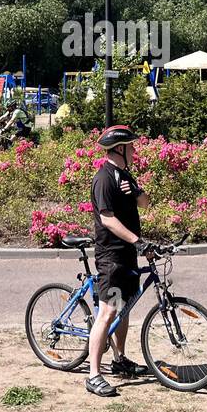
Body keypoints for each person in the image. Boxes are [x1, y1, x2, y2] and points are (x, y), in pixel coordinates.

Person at [86, 125, 150, 397]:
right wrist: (137, 240)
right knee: (108, 312)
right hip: (111, 255)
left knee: (123, 309)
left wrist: (135, 192)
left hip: (127, 254)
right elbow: (107, 219)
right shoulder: (103, 179)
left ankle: (119, 360)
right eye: (132, 147)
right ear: (120, 149)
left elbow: (146, 203)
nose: (135, 151)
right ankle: (93, 375)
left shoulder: (125, 176)